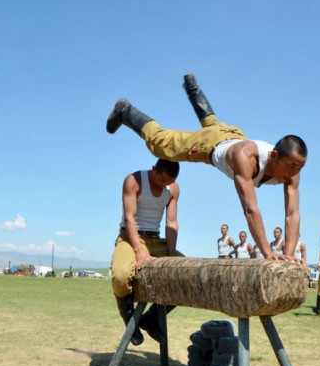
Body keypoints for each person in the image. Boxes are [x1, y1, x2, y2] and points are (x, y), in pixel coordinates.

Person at [106, 74, 307, 262]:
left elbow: (292, 214)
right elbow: (250, 209)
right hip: (210, 144)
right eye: (291, 167)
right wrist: (268, 252)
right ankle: (126, 111)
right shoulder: (246, 158)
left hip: (232, 134)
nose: (293, 173)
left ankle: (193, 89)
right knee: (161, 145)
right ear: (274, 155)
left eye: (299, 168)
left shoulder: (292, 172)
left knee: (212, 124)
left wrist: (288, 256)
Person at [111, 159, 183, 345]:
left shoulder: (173, 189)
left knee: (187, 273)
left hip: (157, 240)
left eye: (168, 183)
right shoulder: (134, 180)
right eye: (161, 181)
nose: (164, 186)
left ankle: (150, 319)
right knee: (120, 275)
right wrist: (139, 251)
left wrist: (171, 252)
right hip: (130, 237)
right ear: (154, 170)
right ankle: (130, 323)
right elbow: (129, 218)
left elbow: (171, 223)